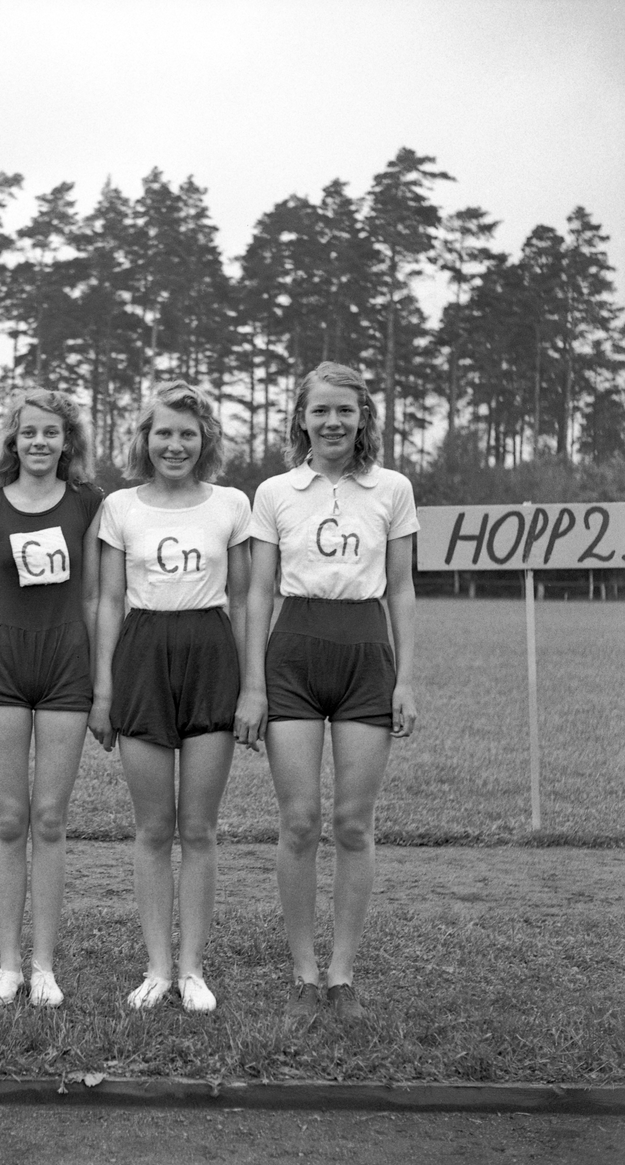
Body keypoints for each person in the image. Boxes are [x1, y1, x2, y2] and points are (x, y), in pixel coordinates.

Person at [238, 361, 418, 1026]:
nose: (333, 421)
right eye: (321, 410)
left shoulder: (391, 488)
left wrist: (406, 678)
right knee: (297, 822)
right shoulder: (274, 492)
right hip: (292, 657)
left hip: (365, 656)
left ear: (363, 417)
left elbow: (401, 588)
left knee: (352, 824)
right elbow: (258, 592)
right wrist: (252, 685)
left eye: (345, 410)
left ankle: (341, 976)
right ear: (301, 419)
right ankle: (303, 976)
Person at [90, 381, 251, 1013]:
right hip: (141, 657)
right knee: (154, 828)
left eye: (188, 433)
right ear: (146, 438)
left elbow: (244, 600)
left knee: (199, 828)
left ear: (205, 439)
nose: (175, 445)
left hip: (211, 656)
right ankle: (157, 967)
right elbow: (108, 601)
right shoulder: (119, 507)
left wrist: (252, 687)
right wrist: (103, 691)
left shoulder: (231, 504)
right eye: (164, 433)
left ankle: (192, 970)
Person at [0, 387, 103, 1008]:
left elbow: (94, 598)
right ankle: (9, 966)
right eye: (28, 432)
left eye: (51, 431)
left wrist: (101, 685)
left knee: (49, 819)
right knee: (10, 820)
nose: (39, 441)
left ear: (67, 441)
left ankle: (44, 965)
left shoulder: (91, 503)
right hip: (4, 670)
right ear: (12, 441)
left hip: (67, 665)